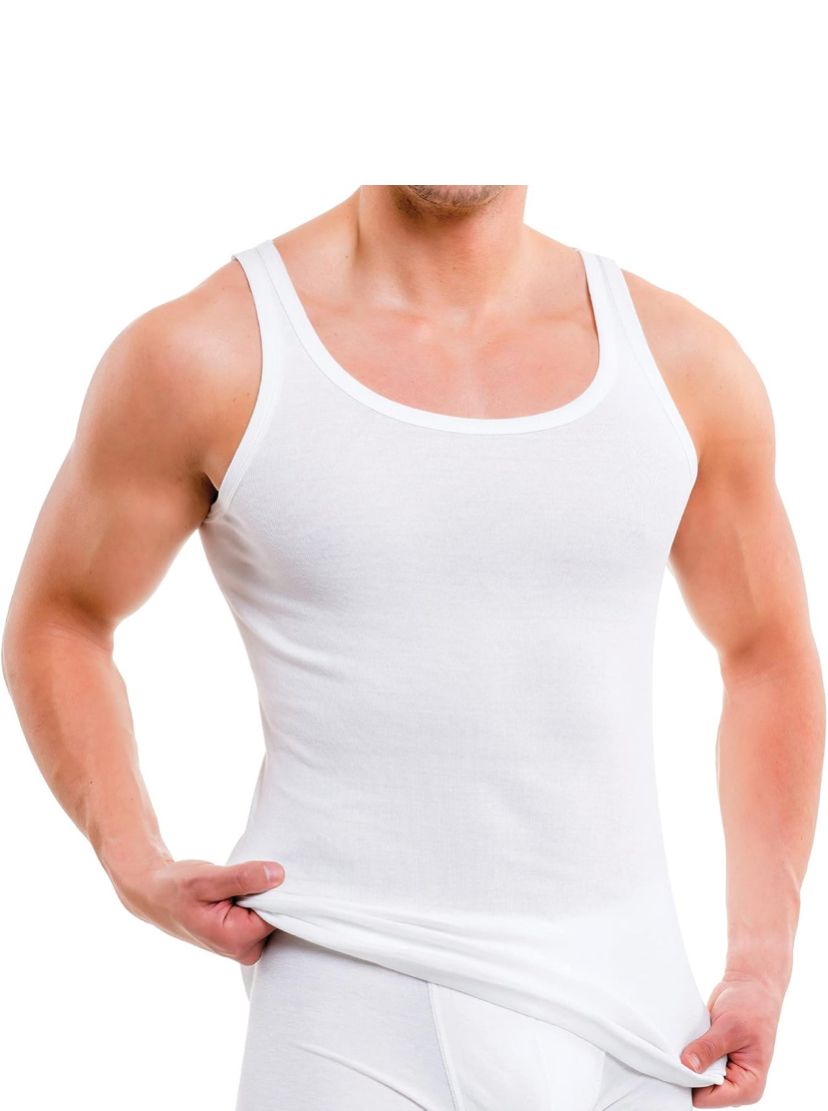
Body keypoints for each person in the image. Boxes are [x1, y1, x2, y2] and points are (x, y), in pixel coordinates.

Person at [2, 185, 823, 1110]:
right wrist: (134, 861)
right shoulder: (209, 352)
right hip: (350, 996)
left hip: (642, 1024)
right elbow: (61, 616)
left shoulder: (683, 364)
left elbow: (767, 652)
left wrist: (762, 960)